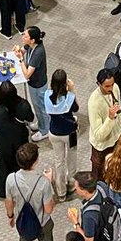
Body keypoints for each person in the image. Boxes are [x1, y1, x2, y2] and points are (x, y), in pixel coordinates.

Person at [6, 141, 55, 241]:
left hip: (24, 221)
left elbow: (9, 202)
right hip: (42, 222)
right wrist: (49, 181)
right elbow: (48, 209)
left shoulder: (11, 179)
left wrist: (10, 216)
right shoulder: (43, 183)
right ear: (35, 162)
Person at [0, 81, 34, 201]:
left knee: (3, 166)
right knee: (22, 163)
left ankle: (2, 191)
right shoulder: (23, 105)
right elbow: (31, 118)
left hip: (5, 142)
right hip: (21, 139)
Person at [45, 70, 79, 203]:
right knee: (72, 161)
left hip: (54, 132)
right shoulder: (69, 98)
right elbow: (76, 108)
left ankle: (61, 192)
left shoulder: (47, 95)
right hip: (70, 133)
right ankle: (71, 185)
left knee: (59, 162)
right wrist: (72, 91)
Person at [87, 69, 121, 181]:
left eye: (112, 84)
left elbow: (119, 109)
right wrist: (110, 118)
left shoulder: (115, 88)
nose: (111, 88)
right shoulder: (94, 102)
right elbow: (98, 135)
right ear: (99, 84)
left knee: (115, 171)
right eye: (107, 86)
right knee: (99, 176)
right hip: (101, 148)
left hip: (116, 139)